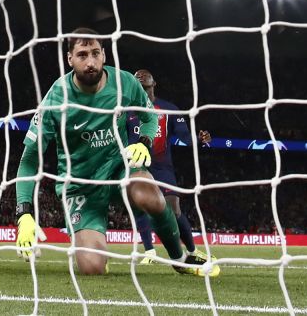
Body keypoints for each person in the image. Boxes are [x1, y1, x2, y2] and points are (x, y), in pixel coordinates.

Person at [14, 28, 219, 277]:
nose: (90, 62)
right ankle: (95, 249)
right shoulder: (57, 99)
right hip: (81, 184)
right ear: (70, 59)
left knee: (147, 192)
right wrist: (24, 214)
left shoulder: (125, 82)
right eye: (81, 55)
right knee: (92, 268)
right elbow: (29, 160)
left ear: (104, 54)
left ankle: (180, 257)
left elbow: (149, 117)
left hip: (119, 168)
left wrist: (143, 142)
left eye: (95, 53)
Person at [127, 69, 214, 264]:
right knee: (139, 207)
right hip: (137, 166)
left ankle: (192, 250)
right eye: (137, 83)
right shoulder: (126, 111)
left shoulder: (168, 109)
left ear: (153, 84)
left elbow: (185, 136)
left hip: (162, 166)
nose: (140, 82)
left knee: (174, 208)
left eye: (145, 82)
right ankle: (149, 252)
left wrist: (199, 140)